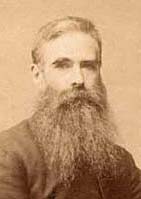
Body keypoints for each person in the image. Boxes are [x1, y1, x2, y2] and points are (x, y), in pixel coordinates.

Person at [0, 16, 140, 199]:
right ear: (38, 75)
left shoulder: (121, 162)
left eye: (88, 66)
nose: (78, 79)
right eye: (62, 66)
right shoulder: (8, 154)